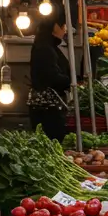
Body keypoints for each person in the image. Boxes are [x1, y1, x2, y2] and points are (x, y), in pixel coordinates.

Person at [28, 9, 71, 141]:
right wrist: (71, 81)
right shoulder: (45, 49)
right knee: (51, 140)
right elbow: (51, 76)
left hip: (50, 105)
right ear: (54, 26)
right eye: (63, 25)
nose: (65, 29)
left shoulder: (48, 46)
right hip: (47, 107)